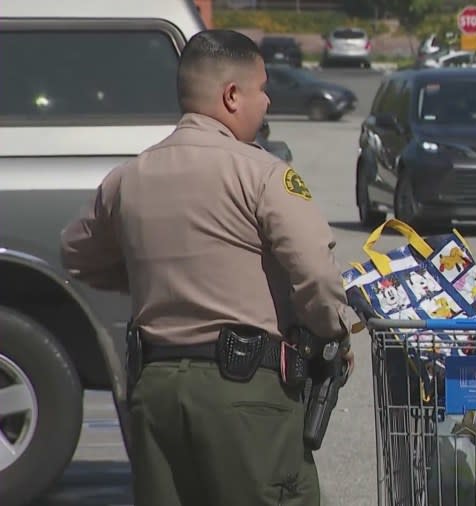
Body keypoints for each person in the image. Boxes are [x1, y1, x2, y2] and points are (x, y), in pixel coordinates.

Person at [60, 30, 355, 506]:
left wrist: (145, 275)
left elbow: (76, 255)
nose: (268, 101)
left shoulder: (128, 178)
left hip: (155, 393)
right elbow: (317, 276)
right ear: (232, 96)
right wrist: (334, 333)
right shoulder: (263, 174)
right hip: (244, 395)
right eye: (261, 89)